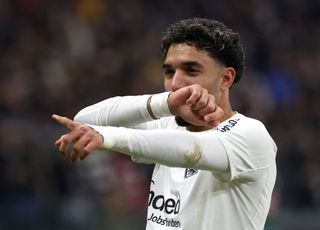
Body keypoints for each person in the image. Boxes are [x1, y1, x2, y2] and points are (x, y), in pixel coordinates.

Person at [52, 18, 277, 230]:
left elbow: (190, 150)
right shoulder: (166, 124)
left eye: (191, 70)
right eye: (169, 72)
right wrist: (164, 103)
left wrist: (108, 138)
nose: (175, 83)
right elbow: (84, 119)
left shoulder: (251, 135)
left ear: (225, 79)